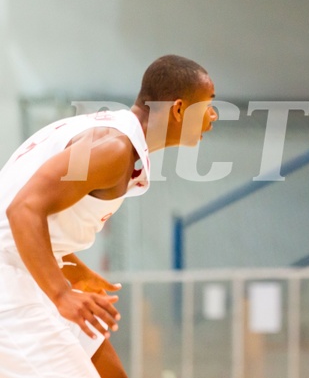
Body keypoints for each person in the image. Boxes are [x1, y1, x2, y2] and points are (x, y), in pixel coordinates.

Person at [0, 54, 218, 378]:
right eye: (209, 104)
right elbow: (22, 209)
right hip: (11, 285)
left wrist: (77, 273)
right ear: (178, 109)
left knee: (110, 372)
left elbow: (28, 222)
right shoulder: (113, 147)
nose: (214, 115)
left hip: (26, 272)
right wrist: (61, 293)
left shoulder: (111, 137)